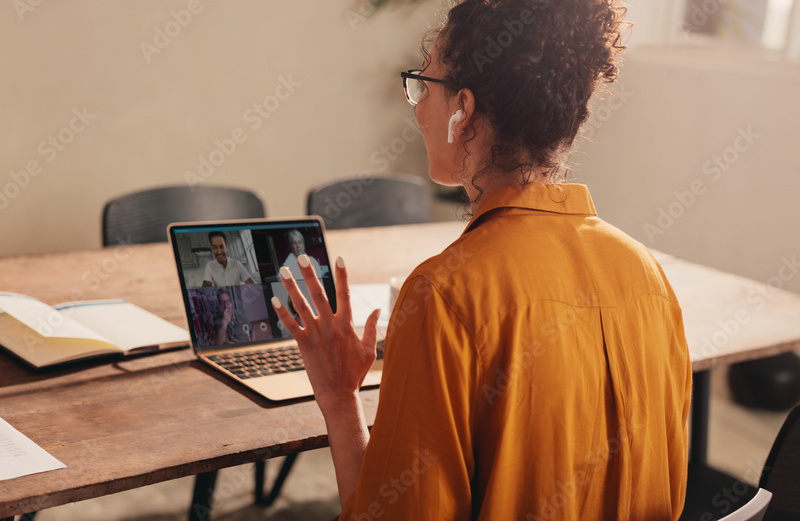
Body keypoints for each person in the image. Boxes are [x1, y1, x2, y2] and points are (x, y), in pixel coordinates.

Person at [271, 0, 692, 519]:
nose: (417, 108)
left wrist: (339, 400)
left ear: (461, 112)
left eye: (424, 87)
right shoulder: (648, 277)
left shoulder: (444, 294)